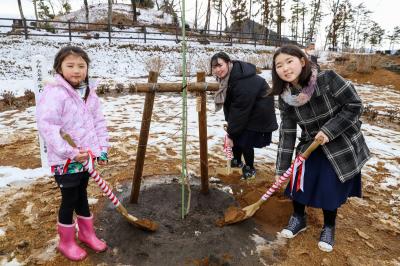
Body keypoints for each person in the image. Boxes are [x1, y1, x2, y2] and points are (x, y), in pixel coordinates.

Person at [270, 44, 370, 252]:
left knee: (329, 185)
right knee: (298, 179)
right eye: (279, 65)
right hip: (310, 143)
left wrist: (329, 129)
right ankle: (298, 218)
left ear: (302, 61)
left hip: (340, 140)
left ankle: (329, 227)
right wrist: (282, 169)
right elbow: (287, 132)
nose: (285, 68)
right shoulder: (285, 97)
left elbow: (354, 106)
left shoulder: (328, 79)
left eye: (289, 61)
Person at [36, 46, 109, 261]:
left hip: (86, 159)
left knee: (82, 195)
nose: (76, 70)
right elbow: (48, 127)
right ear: (59, 68)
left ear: (87, 68)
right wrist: (69, 152)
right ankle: (66, 242)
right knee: (69, 199)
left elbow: (98, 122)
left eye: (81, 66)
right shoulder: (54, 93)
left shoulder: (89, 93)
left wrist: (102, 149)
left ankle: (87, 233)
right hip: (65, 160)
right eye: (70, 65)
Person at [211, 52, 278, 180]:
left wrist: (231, 133)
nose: (217, 70)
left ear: (229, 62)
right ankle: (236, 160)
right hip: (248, 107)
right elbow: (231, 104)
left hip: (259, 110)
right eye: (214, 67)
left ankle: (249, 167)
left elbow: (239, 110)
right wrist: (230, 124)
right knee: (237, 132)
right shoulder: (231, 77)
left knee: (245, 138)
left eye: (220, 65)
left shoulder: (241, 80)